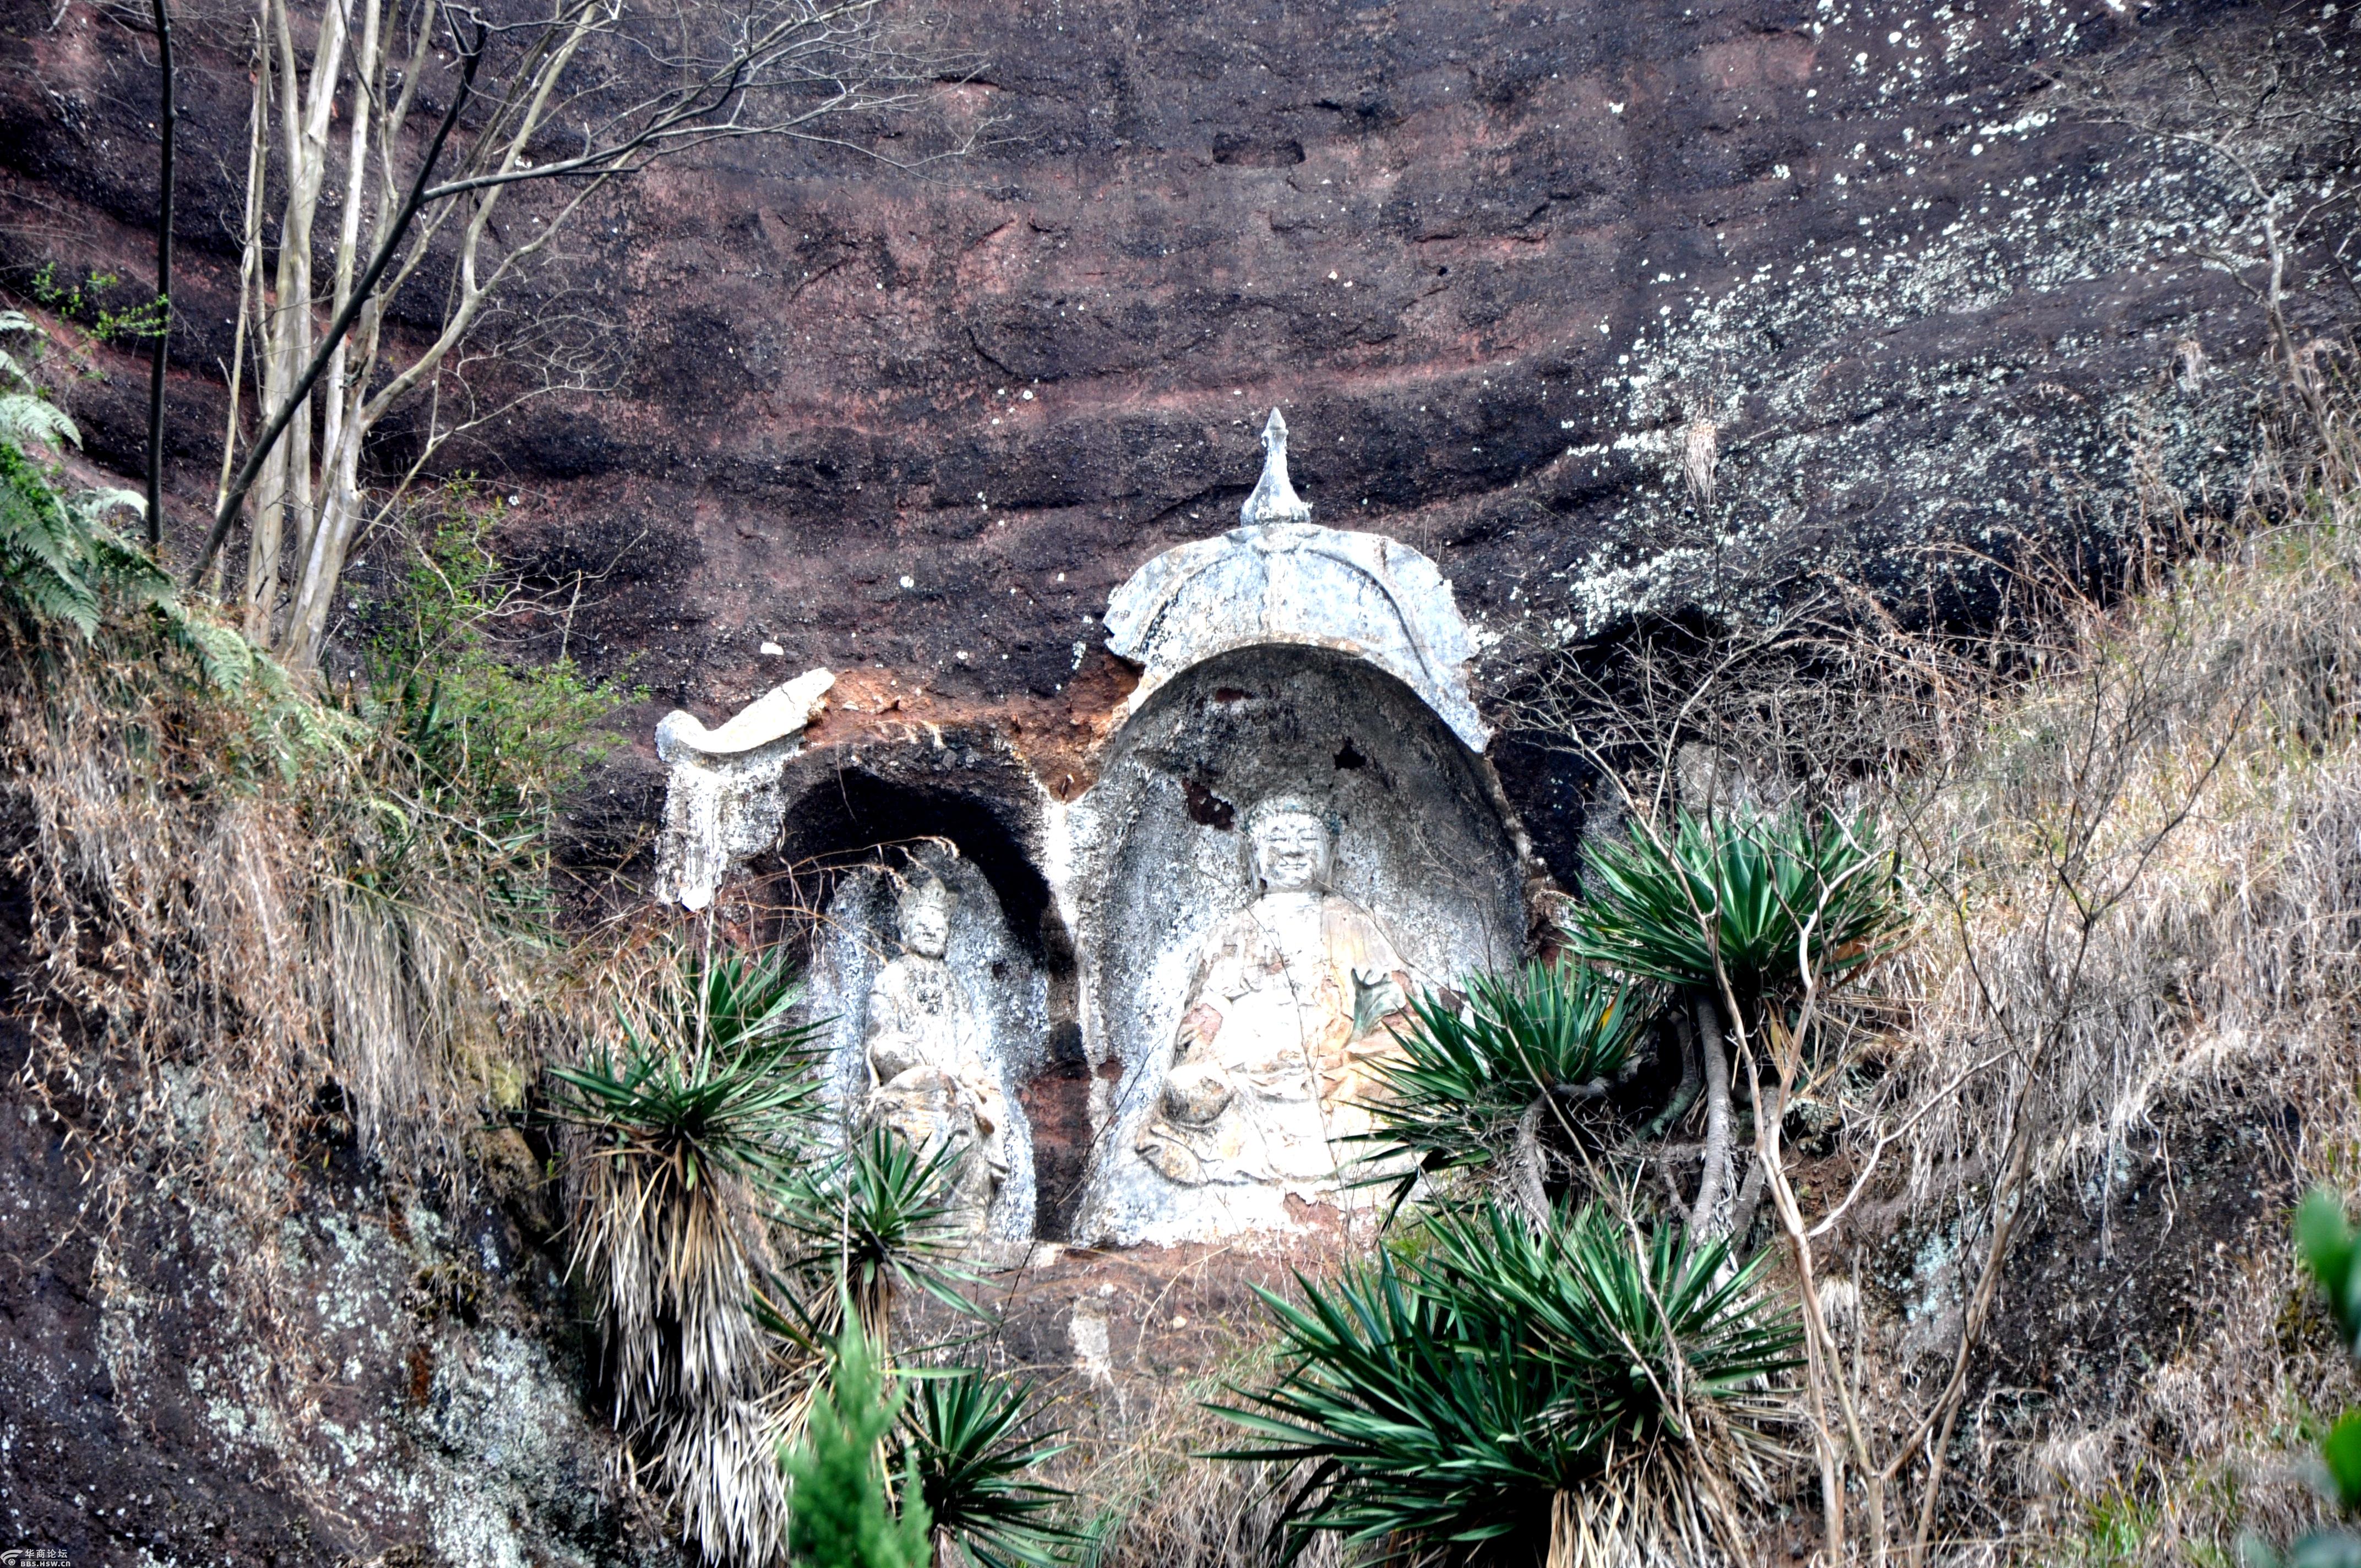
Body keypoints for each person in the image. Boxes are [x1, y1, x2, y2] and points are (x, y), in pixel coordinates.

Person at [1134, 796, 1411, 1194]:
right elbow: (1208, 1010)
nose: (1295, 849)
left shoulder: (1354, 922)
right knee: (1185, 1092)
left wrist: (1372, 1021)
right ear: (1258, 859)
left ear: (1329, 857)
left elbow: (1394, 999)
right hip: (1247, 1063)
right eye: (1279, 838)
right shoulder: (1236, 929)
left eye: (1307, 839)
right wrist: (1199, 1056)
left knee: (1394, 1081)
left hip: (1335, 1058)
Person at [862, 875, 1008, 1231]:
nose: (930, 931)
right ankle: (923, 1191)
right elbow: (880, 1043)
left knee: (983, 1104)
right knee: (929, 1084)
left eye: (938, 925)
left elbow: (967, 1052)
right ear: (907, 929)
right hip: (909, 1079)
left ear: (948, 934)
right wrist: (915, 1055)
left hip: (953, 1083)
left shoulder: (956, 990)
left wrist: (976, 1077)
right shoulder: (891, 978)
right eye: (922, 924)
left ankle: (966, 1218)